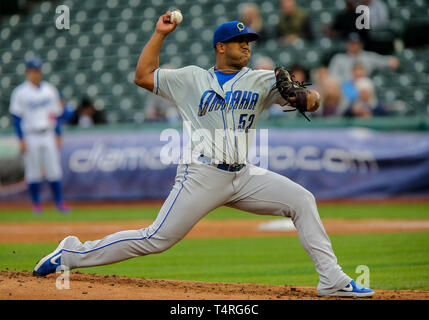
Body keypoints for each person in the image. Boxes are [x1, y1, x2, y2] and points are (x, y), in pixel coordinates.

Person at [32, 12, 374, 298]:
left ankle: (331, 278)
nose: (246, 46)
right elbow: (142, 76)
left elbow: (313, 100)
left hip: (244, 176)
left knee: (302, 200)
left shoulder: (262, 81)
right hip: (201, 174)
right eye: (240, 42)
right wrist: (159, 34)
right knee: (156, 239)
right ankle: (71, 252)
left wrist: (304, 97)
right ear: (220, 47)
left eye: (250, 42)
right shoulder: (191, 79)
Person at [9, 56, 70, 214]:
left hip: (48, 133)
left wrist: (58, 134)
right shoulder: (20, 92)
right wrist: (21, 139)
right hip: (30, 134)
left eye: (38, 70)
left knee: (54, 169)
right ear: (27, 72)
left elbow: (56, 114)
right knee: (33, 171)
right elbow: (16, 117)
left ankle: (59, 203)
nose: (36, 73)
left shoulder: (49, 90)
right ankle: (36, 204)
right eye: (33, 70)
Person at [328, 32, 399, 84]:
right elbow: (332, 77)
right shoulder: (339, 58)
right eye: (352, 43)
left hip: (364, 87)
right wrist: (350, 80)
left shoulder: (368, 56)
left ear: (361, 44)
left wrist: (392, 60)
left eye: (356, 43)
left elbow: (386, 61)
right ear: (347, 44)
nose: (354, 46)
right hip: (345, 87)